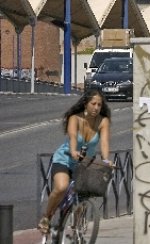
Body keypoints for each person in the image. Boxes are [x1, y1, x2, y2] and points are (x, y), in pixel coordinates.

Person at [38, 89, 112, 234]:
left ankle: (76, 225)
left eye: (99, 104)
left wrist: (106, 160)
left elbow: (104, 142)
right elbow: (72, 137)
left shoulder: (103, 121)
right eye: (93, 104)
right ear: (86, 104)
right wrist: (73, 151)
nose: (96, 107)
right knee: (61, 187)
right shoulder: (75, 118)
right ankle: (46, 217)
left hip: (85, 163)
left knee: (84, 194)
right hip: (65, 158)